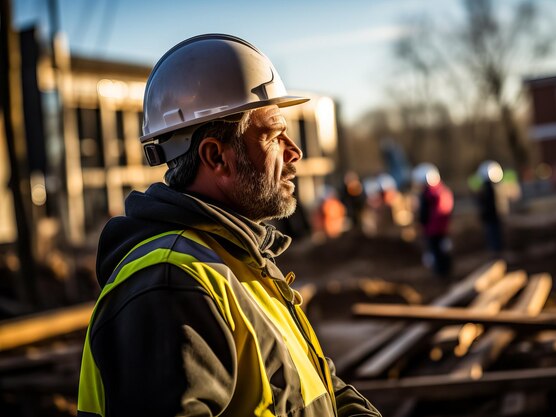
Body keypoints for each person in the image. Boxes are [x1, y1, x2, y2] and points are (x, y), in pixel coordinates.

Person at [77, 34, 381, 417]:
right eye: (272, 135)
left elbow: (319, 388)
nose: (295, 152)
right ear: (216, 157)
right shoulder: (172, 284)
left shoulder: (240, 260)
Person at [412, 163, 454, 277]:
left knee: (437, 253)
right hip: (440, 228)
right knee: (442, 252)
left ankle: (441, 274)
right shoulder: (442, 191)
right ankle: (444, 272)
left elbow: (427, 213)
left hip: (434, 229)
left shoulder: (430, 194)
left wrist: (422, 222)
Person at [476, 160, 504, 254]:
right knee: (495, 235)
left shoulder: (487, 189)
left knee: (493, 235)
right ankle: (497, 252)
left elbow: (487, 204)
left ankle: (496, 253)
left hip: (491, 216)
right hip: (494, 216)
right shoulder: (494, 187)